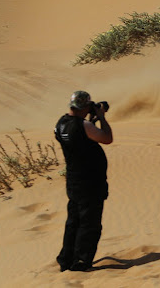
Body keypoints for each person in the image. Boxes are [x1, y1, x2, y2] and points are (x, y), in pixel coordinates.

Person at [54, 90, 113, 272]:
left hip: (74, 181)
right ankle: (81, 262)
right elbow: (107, 138)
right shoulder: (84, 126)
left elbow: (79, 139)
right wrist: (101, 118)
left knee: (74, 221)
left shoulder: (61, 124)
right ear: (85, 107)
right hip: (90, 182)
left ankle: (66, 259)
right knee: (89, 224)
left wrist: (91, 119)